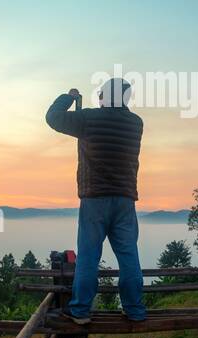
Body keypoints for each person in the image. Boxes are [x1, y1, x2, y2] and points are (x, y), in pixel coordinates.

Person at [45, 78, 147, 324]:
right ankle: (134, 310)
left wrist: (68, 97)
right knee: (129, 256)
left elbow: (53, 117)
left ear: (104, 97)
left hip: (94, 199)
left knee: (89, 256)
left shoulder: (88, 119)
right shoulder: (135, 123)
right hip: (125, 199)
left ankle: (80, 311)